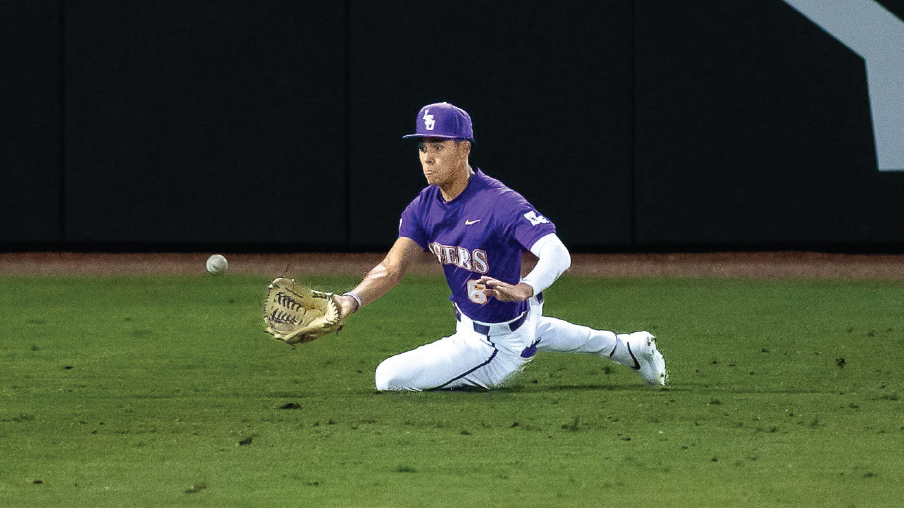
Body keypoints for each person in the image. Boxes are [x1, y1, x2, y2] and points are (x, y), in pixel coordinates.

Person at [336, 102, 666, 391]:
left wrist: (525, 287)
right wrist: (350, 300)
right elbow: (391, 269)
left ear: (464, 149)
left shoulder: (499, 202)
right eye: (422, 147)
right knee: (530, 326)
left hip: (495, 344)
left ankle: (519, 349)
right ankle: (626, 347)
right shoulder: (423, 206)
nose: (428, 158)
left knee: (388, 377)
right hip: (504, 318)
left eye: (438, 146)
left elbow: (558, 254)